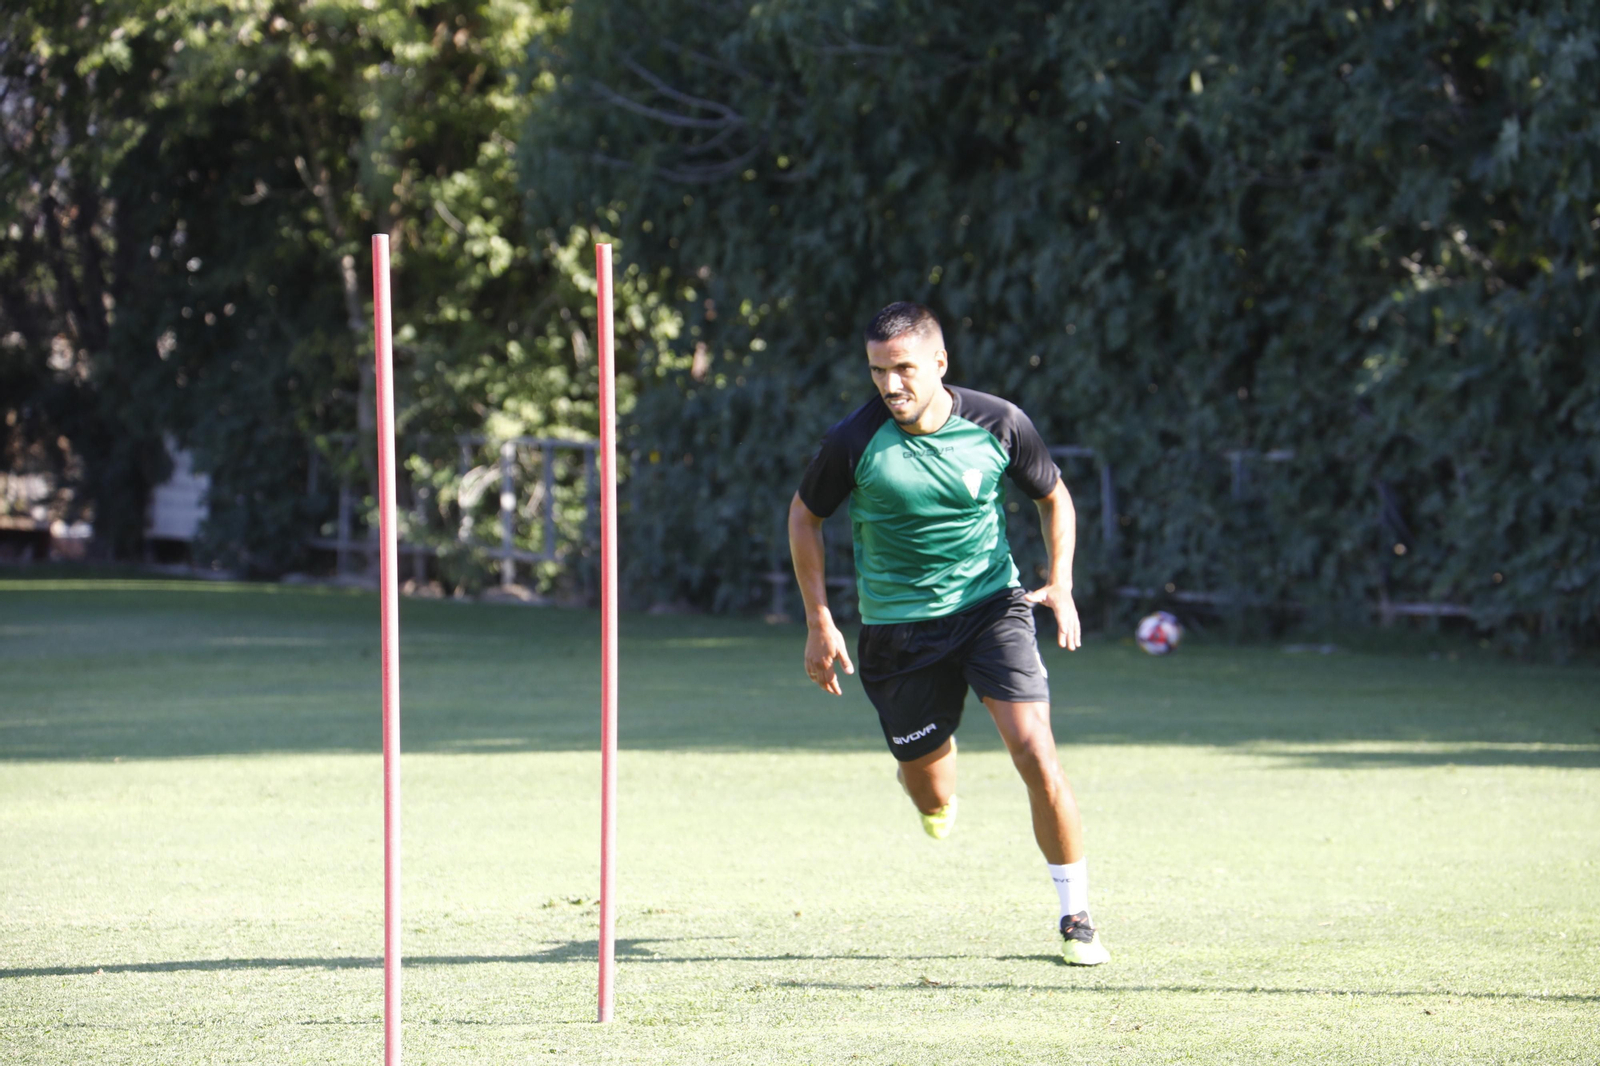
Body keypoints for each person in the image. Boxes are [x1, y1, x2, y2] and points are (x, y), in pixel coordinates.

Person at [787, 301, 1109, 966]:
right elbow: (804, 517)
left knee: (1036, 753)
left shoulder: (999, 422)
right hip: (897, 632)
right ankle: (934, 786)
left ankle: (1076, 916)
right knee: (929, 789)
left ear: (939, 363)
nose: (890, 385)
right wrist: (820, 619)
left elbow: (1054, 497)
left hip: (993, 609)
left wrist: (1062, 581)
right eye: (878, 371)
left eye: (904, 369)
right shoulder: (853, 441)